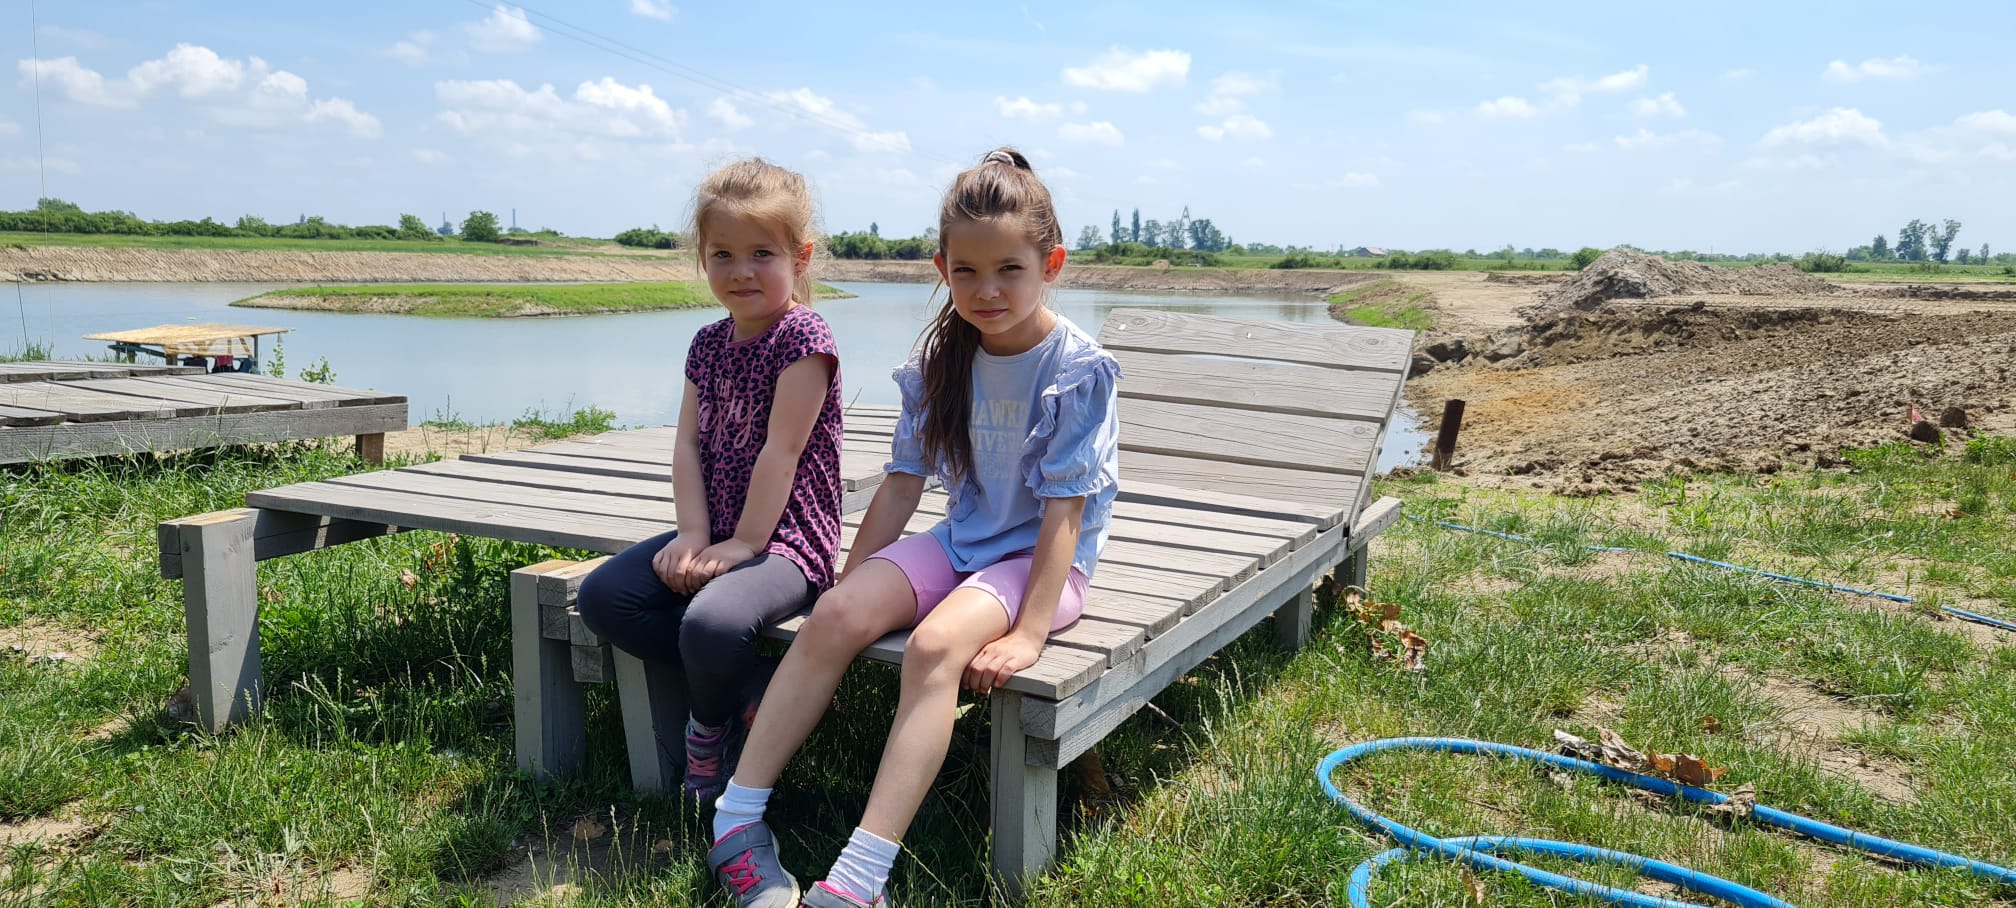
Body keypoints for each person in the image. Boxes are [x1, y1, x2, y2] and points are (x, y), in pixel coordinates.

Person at [708, 148, 1121, 908]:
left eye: (1008, 270)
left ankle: (860, 879)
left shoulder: (1075, 367)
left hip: (1037, 568)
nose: (986, 290)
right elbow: (904, 484)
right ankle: (733, 820)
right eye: (965, 272)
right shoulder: (943, 358)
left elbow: (1067, 512)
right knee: (835, 614)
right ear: (941, 267)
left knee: (933, 647)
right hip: (960, 545)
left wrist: (1029, 633)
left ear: (1050, 263)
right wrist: (853, 574)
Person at [574, 158, 843, 804]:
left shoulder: (803, 337)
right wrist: (694, 533)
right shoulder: (705, 343)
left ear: (800, 257)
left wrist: (744, 545)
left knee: (708, 625)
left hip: (784, 541)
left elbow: (782, 452)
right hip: (720, 529)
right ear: (703, 257)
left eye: (761, 253)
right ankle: (752, 688)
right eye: (723, 253)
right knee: (604, 596)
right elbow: (688, 445)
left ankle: (707, 727)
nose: (741, 271)